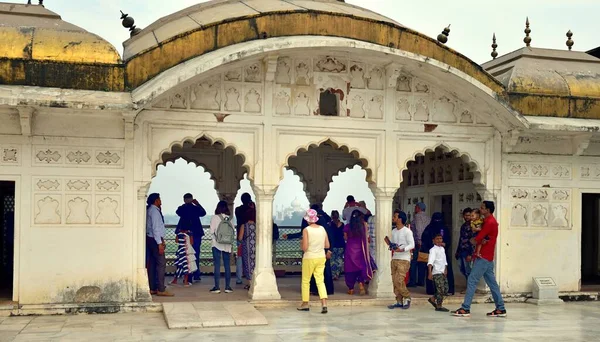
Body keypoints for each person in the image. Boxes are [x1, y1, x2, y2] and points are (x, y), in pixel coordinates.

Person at [452, 201, 507, 318]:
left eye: (482, 208)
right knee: (492, 283)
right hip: (486, 256)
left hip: (483, 256)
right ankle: (500, 308)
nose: (480, 210)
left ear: (487, 210)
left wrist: (474, 240)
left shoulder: (490, 222)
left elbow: (479, 237)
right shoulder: (486, 221)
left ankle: (465, 308)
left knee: (472, 280)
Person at [297, 209, 330, 314]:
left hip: (309, 257)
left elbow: (305, 248)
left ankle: (305, 303)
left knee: (306, 281)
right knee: (320, 280)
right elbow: (327, 245)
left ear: (307, 220)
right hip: (321, 257)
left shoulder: (306, 230)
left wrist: (301, 243)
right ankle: (324, 304)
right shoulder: (322, 229)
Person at [146, 193, 174, 296]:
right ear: (156, 200)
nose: (161, 201)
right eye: (159, 199)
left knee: (153, 264)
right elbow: (156, 228)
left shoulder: (151, 210)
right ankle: (161, 289)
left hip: (151, 239)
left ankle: (153, 287)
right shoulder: (154, 212)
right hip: (155, 239)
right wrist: (160, 244)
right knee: (161, 263)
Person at [421, 212, 454, 296]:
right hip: (432, 253)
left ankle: (447, 289)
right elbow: (424, 240)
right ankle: (432, 290)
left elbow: (448, 240)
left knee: (445, 270)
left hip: (442, 254)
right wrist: (432, 246)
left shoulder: (444, 228)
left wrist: (444, 244)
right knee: (431, 270)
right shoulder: (429, 229)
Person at [176, 193, 206, 283]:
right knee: (195, 254)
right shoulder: (196, 208)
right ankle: (196, 274)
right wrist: (197, 204)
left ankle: (187, 276)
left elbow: (178, 212)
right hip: (196, 234)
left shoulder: (182, 209)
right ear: (192, 199)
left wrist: (185, 204)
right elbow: (203, 213)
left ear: (184, 199)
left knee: (186, 254)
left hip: (185, 234)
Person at [387, 210, 414, 310]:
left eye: (395, 216)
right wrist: (392, 246)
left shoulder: (407, 231)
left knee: (399, 280)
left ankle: (407, 297)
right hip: (395, 258)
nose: (393, 218)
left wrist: (402, 249)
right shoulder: (393, 231)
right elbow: (394, 244)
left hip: (404, 259)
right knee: (394, 281)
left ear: (400, 219)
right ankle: (398, 301)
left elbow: (412, 244)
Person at [343, 210, 373, 295]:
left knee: (350, 269)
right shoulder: (363, 227)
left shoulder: (347, 226)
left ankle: (351, 288)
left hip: (350, 250)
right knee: (360, 268)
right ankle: (361, 285)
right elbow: (367, 238)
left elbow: (345, 238)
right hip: (360, 250)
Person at [209, 200, 234, 294]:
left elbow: (211, 231)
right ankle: (228, 287)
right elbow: (233, 230)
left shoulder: (215, 217)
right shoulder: (231, 218)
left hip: (216, 243)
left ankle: (217, 287)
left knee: (217, 265)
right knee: (227, 265)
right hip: (227, 244)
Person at [236, 193, 256, 290]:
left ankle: (243, 280)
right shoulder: (258, 225)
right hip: (256, 245)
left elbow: (240, 237)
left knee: (245, 263)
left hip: (245, 244)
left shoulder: (239, 210)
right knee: (256, 263)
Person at [408, 202, 430, 287]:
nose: (414, 208)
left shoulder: (418, 217)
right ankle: (421, 281)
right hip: (425, 242)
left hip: (418, 242)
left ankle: (413, 281)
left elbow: (419, 229)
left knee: (414, 262)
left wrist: (419, 241)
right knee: (422, 261)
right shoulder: (428, 217)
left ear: (419, 208)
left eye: (416, 207)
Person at [428, 233, 449, 312]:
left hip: (442, 271)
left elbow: (444, 260)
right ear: (433, 240)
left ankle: (433, 299)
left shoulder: (442, 249)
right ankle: (439, 305)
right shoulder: (433, 250)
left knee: (445, 289)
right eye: (437, 239)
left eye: (440, 239)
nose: (439, 240)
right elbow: (430, 262)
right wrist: (430, 273)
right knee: (440, 290)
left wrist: (445, 269)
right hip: (436, 272)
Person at [455, 208, 474, 288]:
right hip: (462, 250)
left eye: (469, 215)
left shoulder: (473, 226)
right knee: (461, 267)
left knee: (468, 269)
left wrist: (470, 254)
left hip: (468, 251)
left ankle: (470, 287)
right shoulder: (463, 226)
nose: (467, 217)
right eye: (465, 215)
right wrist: (457, 250)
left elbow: (473, 241)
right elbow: (461, 238)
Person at [329, 210, 345, 280]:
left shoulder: (330, 224)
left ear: (332, 216)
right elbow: (344, 235)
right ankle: (337, 274)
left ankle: (333, 274)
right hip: (341, 244)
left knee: (332, 260)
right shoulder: (342, 224)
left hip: (333, 244)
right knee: (339, 260)